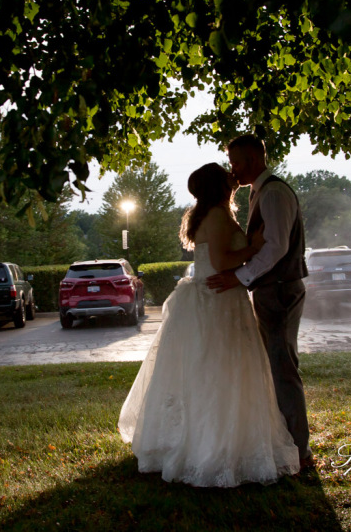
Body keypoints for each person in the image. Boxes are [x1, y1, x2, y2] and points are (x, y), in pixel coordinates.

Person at [118, 163, 300, 487]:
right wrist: (255, 248)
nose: (233, 174)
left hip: (219, 298)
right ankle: (211, 448)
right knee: (219, 373)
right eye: (226, 173)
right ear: (219, 185)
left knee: (219, 373)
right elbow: (221, 261)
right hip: (217, 302)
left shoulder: (213, 213)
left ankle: (226, 440)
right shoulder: (217, 216)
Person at [206, 134, 314, 469]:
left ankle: (299, 453)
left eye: (236, 162)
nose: (233, 170)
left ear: (253, 159)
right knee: (277, 365)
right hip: (271, 290)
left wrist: (240, 276)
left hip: (280, 290)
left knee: (282, 369)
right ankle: (288, 443)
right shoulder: (259, 192)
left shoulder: (275, 193)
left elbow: (276, 246)